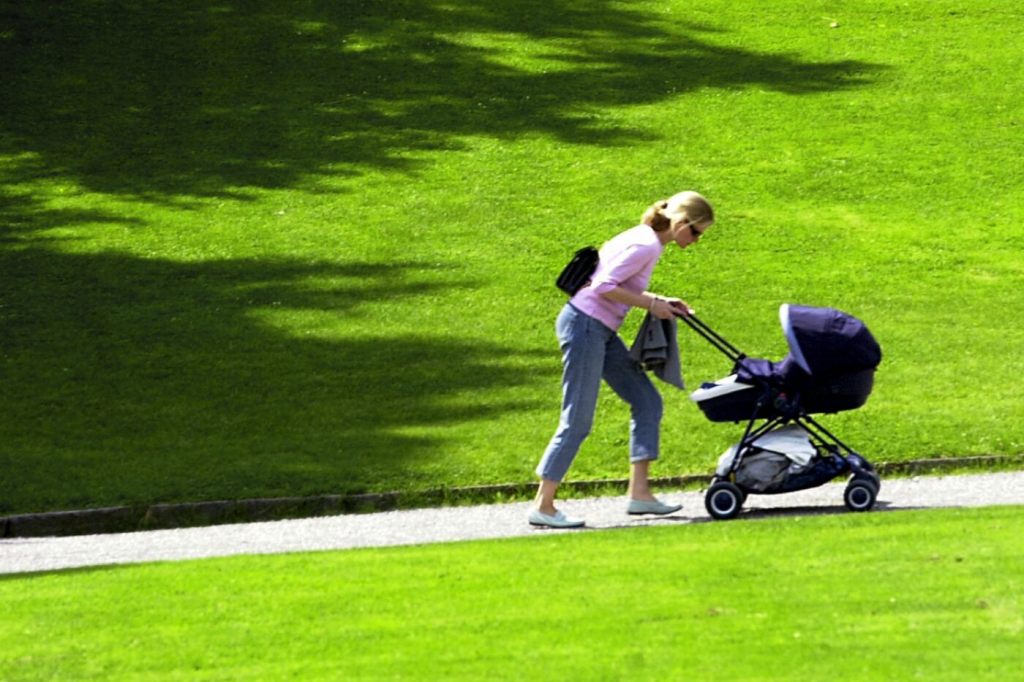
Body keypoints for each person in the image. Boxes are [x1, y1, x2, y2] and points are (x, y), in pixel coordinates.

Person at [530, 191, 716, 528]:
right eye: (697, 232)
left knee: (646, 400)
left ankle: (640, 495)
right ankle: (543, 505)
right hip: (585, 327)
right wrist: (651, 306)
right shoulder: (646, 244)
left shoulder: (649, 241)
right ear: (681, 222)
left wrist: (661, 300)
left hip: (598, 329)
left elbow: (612, 283)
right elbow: (602, 286)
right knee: (578, 420)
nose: (697, 241)